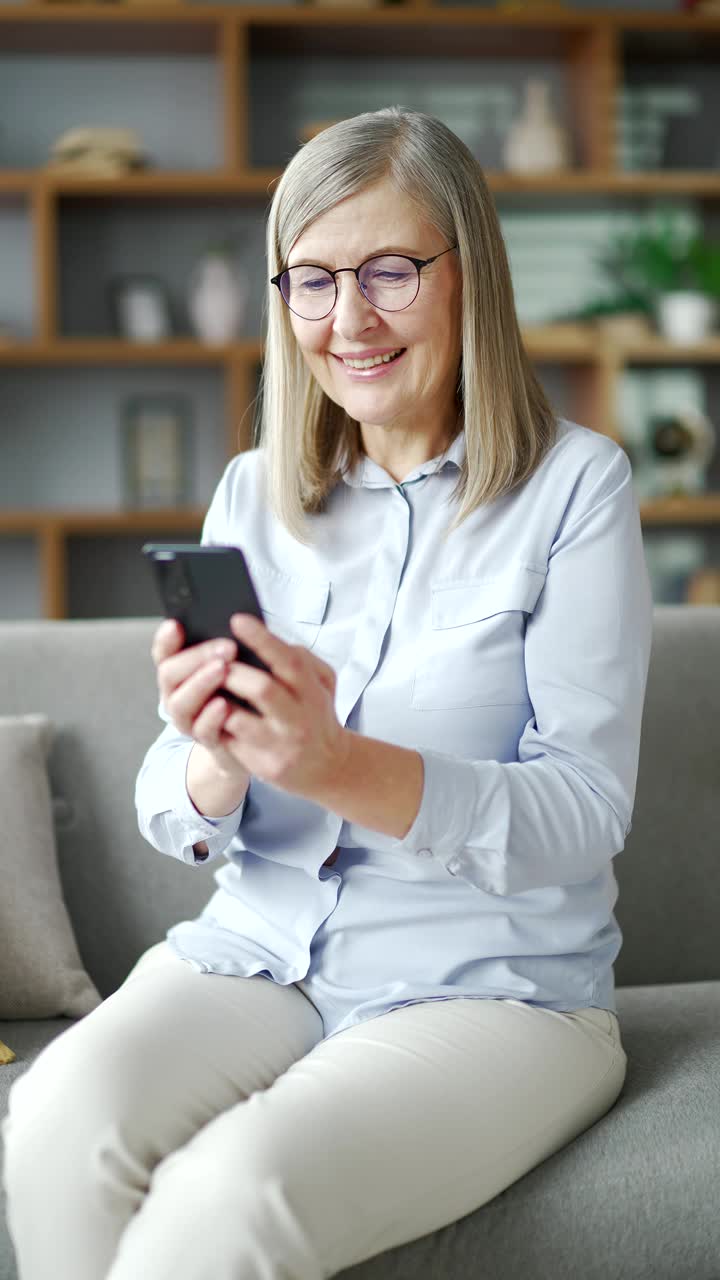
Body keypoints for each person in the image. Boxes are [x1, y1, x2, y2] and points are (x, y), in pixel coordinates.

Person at [3, 106, 653, 1280]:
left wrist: (336, 763)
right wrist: (215, 753)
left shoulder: (576, 488)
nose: (346, 320)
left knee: (226, 1201)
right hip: (259, 949)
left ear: (470, 275)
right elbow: (177, 795)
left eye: (389, 271)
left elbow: (586, 809)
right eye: (311, 280)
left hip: (495, 992)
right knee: (52, 1124)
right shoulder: (256, 492)